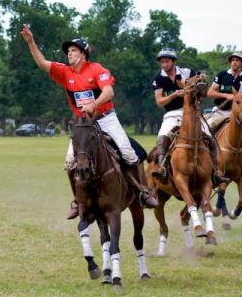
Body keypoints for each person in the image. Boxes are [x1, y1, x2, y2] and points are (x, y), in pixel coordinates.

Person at [20, 24, 158, 219]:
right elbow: (42, 63)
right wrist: (30, 42)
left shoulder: (96, 69)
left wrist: (94, 104)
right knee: (70, 163)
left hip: (106, 119)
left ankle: (142, 192)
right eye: (68, 51)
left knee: (128, 153)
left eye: (73, 50)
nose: (69, 53)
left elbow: (109, 92)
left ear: (83, 53)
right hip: (83, 125)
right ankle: (77, 201)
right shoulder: (65, 72)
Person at [150, 48, 230, 185]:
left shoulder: (187, 72)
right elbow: (159, 101)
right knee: (162, 138)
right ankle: (162, 168)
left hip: (192, 112)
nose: (164, 65)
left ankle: (216, 171)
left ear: (174, 62)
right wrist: (175, 94)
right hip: (171, 114)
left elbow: (200, 87)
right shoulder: (158, 78)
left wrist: (201, 82)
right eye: (162, 62)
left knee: (210, 137)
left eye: (167, 61)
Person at [206, 52, 242, 179]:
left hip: (238, 116)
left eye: (237, 60)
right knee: (205, 132)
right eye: (233, 60)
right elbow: (210, 92)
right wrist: (226, 95)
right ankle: (207, 163)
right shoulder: (222, 75)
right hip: (220, 112)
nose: (234, 62)